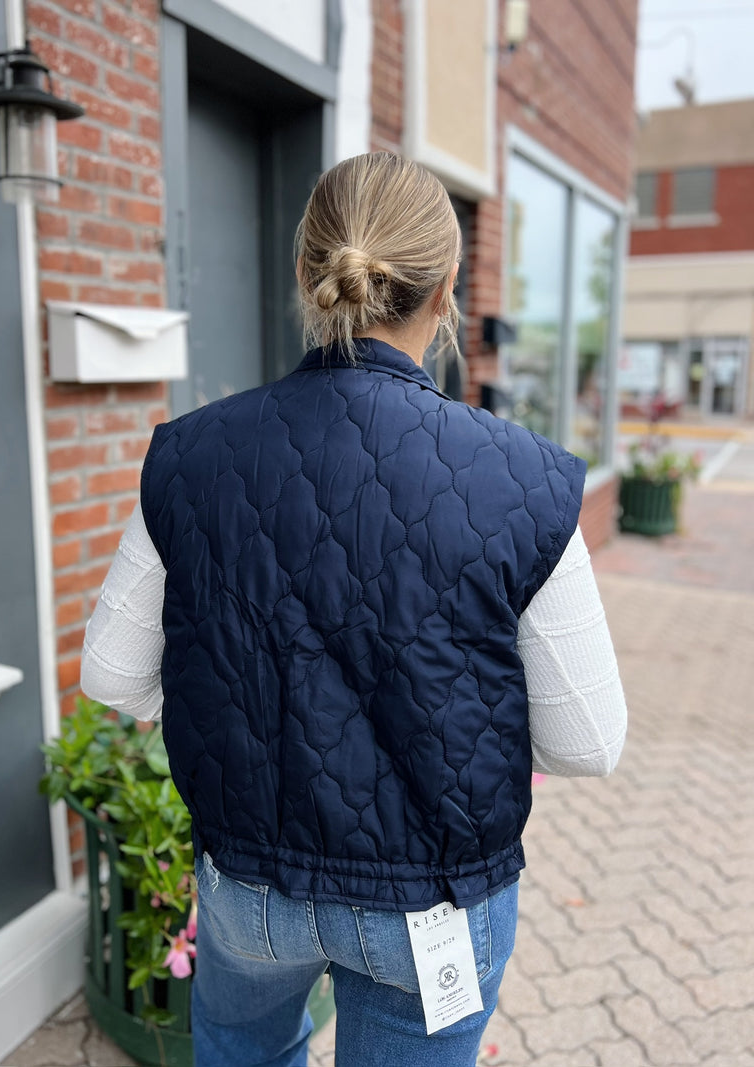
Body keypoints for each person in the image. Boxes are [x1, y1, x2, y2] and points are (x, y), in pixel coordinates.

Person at [81, 151, 626, 1067]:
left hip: (251, 886)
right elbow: (590, 742)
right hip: (433, 904)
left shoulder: (189, 455)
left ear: (309, 271)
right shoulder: (522, 479)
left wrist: (238, 703)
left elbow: (111, 673)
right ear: (447, 289)